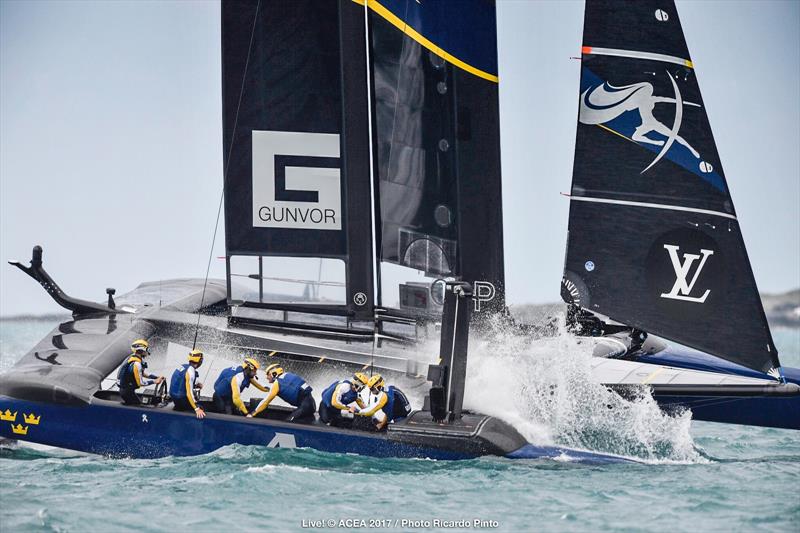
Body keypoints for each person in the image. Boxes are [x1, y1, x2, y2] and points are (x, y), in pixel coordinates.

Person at [248, 364, 315, 422]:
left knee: (287, 423)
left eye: (268, 374)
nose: (267, 377)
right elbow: (289, 388)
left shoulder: (277, 384)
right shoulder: (288, 374)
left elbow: (265, 402)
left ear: (274, 374)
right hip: (310, 403)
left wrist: (252, 414)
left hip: (305, 406)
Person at [117, 339, 165, 405]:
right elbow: (141, 383)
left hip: (127, 390)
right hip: (127, 392)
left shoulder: (133, 357)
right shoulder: (137, 364)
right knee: (137, 405)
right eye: (147, 349)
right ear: (142, 350)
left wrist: (157, 377)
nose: (148, 351)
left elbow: (142, 374)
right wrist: (154, 381)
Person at [169, 349, 206, 419]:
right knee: (201, 407)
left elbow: (181, 381)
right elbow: (189, 393)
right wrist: (197, 408)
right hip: (180, 399)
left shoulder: (182, 366)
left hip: (173, 396)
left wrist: (196, 384)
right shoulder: (191, 372)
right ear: (199, 361)